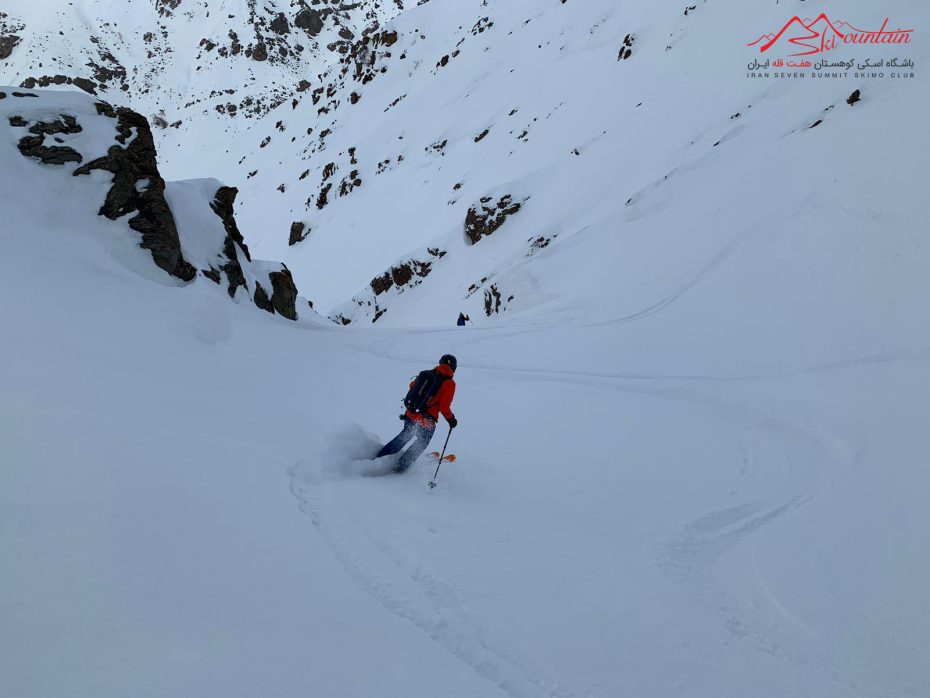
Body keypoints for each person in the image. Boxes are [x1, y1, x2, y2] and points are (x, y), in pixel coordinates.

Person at [377, 354, 458, 473]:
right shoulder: (449, 383)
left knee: (403, 438)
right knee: (419, 444)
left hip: (411, 414)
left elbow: (412, 386)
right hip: (426, 421)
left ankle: (378, 458)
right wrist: (451, 420)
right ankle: (398, 469)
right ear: (454, 368)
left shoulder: (427, 373)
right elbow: (444, 407)